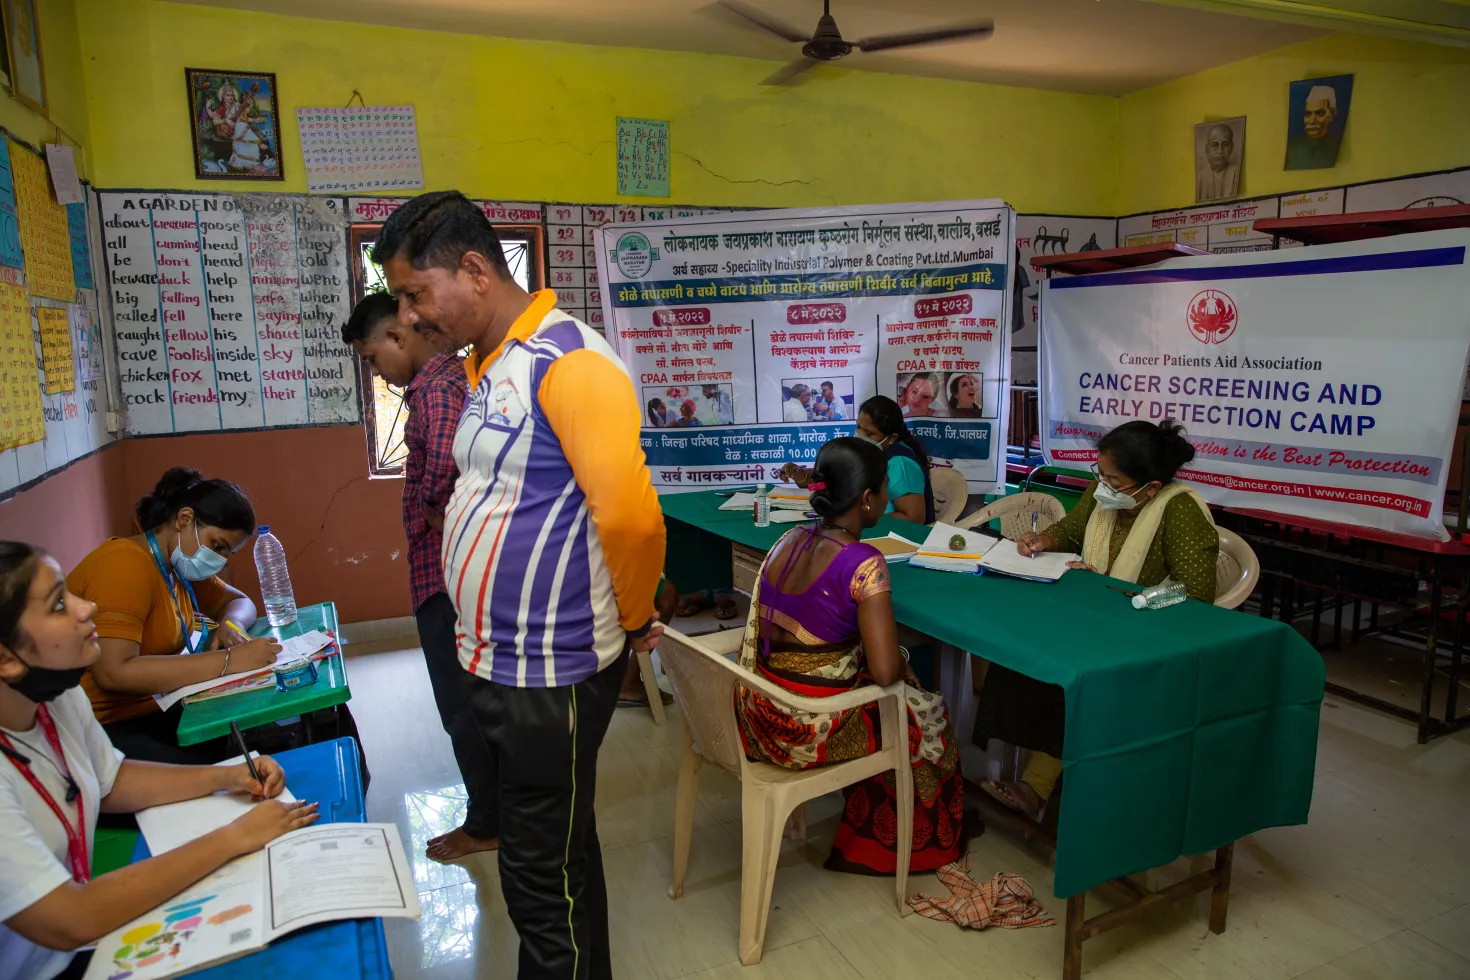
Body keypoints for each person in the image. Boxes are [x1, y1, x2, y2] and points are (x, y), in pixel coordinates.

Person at [375, 190, 665, 980]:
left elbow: (633, 521)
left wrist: (637, 623)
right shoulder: (492, 363)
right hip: (500, 663)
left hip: (552, 672)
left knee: (538, 882)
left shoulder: (571, 363)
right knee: (561, 852)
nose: (407, 316)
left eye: (414, 293)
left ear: (474, 270)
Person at [0, 541, 318, 980]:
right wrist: (234, 837)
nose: (86, 606)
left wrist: (225, 777)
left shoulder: (56, 696)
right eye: (58, 603)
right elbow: (70, 918)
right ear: (6, 660)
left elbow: (110, 780)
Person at [736, 438, 966, 875]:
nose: (886, 497)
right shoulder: (863, 561)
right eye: (883, 489)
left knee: (890, 689)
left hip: (759, 709)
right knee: (923, 713)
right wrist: (902, 657)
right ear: (867, 499)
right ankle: (890, 846)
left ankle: (866, 826)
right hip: (806, 727)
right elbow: (883, 672)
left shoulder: (790, 538)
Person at [978, 420, 1219, 818]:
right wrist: (1042, 541)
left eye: (1113, 480)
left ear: (1151, 488)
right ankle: (1033, 770)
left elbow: (1193, 593)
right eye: (1100, 474)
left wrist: (1129, 597)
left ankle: (1038, 785)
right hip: (1097, 621)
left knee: (1072, 675)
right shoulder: (1108, 492)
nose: (1102, 485)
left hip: (1150, 635)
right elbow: (1072, 530)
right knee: (1024, 652)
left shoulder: (1180, 510)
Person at [343, 292, 497, 865]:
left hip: (447, 570)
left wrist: (437, 507)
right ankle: (495, 810)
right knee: (473, 701)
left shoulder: (437, 387)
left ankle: (487, 821)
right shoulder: (447, 380)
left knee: (461, 706)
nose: (375, 373)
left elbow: (446, 470)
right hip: (449, 563)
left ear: (397, 338)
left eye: (372, 358)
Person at [67, 470, 282, 764]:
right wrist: (230, 661)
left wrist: (229, 626)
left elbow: (239, 602)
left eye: (226, 553)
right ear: (184, 520)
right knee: (219, 772)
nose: (218, 560)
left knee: (263, 722)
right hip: (104, 725)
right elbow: (112, 673)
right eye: (217, 545)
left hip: (155, 704)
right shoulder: (125, 565)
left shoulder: (177, 565)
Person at [781, 395, 934, 525]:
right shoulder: (869, 452)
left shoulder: (900, 463)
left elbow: (913, 518)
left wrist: (856, 523)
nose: (860, 435)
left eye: (869, 433)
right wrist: (799, 474)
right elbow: (830, 480)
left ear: (892, 438)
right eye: (858, 427)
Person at [1286, 84, 1341, 170]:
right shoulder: (1291, 149)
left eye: (1320, 113)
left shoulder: (1339, 149)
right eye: (1308, 114)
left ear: (1331, 116)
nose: (1312, 121)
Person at [1196, 122, 1239, 202]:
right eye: (1215, 145)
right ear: (1207, 150)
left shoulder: (1237, 174)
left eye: (1225, 144)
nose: (1220, 151)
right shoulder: (1199, 178)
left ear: (1231, 147)